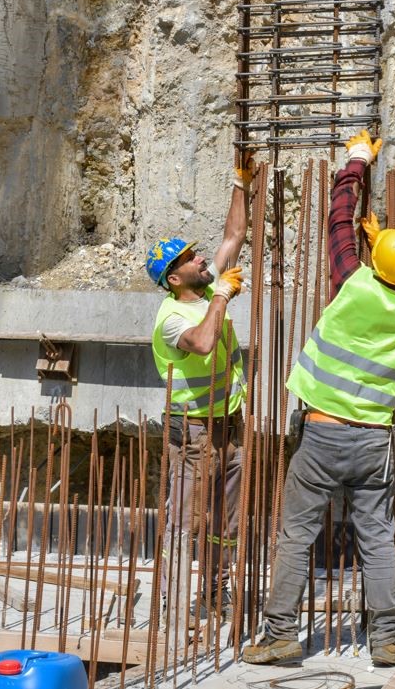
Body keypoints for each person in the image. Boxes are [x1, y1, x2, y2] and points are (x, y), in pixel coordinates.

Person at [243, 131, 395, 667]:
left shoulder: (352, 284)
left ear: (373, 264)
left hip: (322, 433)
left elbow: (337, 217)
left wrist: (357, 161)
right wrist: (382, 247)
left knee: (297, 535)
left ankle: (280, 635)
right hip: (373, 441)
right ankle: (388, 640)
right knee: (376, 537)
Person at [145, 155, 255, 620]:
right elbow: (205, 343)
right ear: (174, 278)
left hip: (229, 423)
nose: (202, 257)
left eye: (196, 252)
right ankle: (171, 605)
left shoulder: (208, 291)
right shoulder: (171, 318)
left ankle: (215, 594)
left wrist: (240, 183)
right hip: (190, 434)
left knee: (225, 518)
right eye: (190, 258)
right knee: (185, 520)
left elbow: (234, 236)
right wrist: (225, 297)